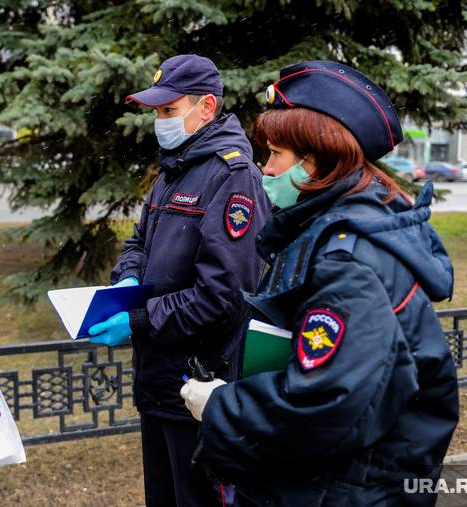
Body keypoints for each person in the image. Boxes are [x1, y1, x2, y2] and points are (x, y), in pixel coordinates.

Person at [180, 61, 459, 507]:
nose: (265, 169)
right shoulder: (334, 231)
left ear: (318, 162)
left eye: (275, 155)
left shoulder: (346, 262)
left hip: (345, 491)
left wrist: (220, 406)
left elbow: (326, 404)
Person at [87, 55, 272, 506]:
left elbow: (224, 297)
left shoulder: (233, 177)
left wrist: (139, 319)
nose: (160, 121)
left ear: (206, 107)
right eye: (156, 112)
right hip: (159, 382)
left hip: (200, 387)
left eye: (169, 110)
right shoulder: (176, 167)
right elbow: (138, 244)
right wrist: (129, 282)